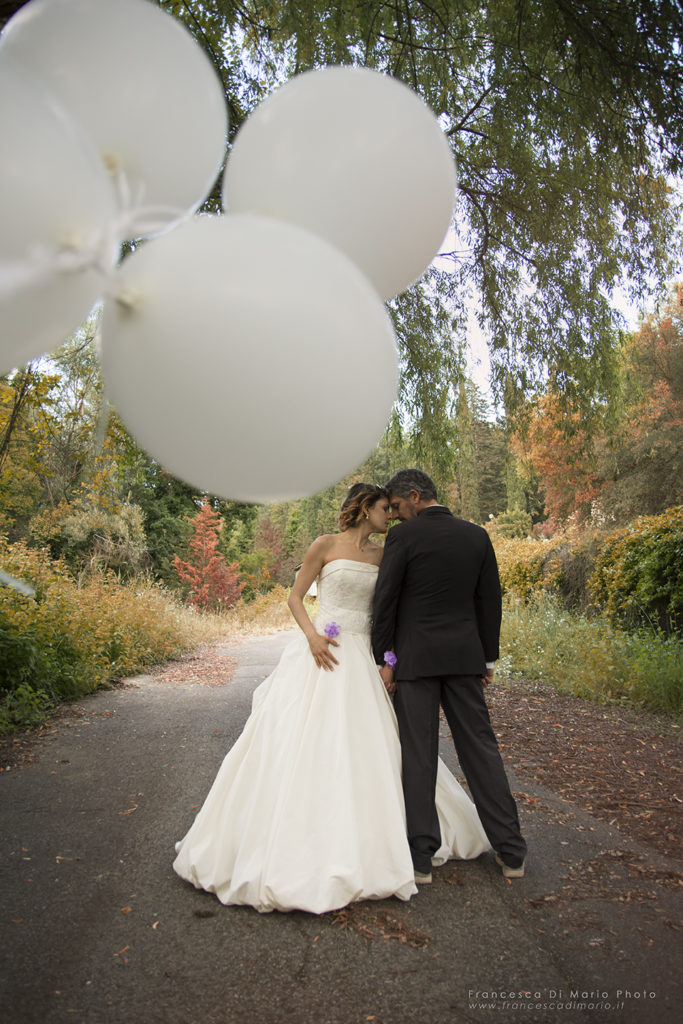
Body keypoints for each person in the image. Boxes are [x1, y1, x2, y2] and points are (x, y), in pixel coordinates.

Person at [173, 484, 490, 914]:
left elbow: (392, 612)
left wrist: (390, 660)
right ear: (365, 507)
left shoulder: (384, 553)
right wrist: (312, 637)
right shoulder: (325, 545)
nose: (390, 516)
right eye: (384, 508)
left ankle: (395, 836)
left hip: (365, 656)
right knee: (304, 740)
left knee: (376, 745)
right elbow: (294, 596)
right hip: (324, 651)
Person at [371, 469, 527, 882]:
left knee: (418, 755)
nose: (399, 516)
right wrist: (488, 660)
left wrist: (383, 657)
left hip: (415, 662)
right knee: (481, 750)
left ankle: (421, 860)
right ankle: (512, 853)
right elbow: (489, 601)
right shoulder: (477, 536)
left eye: (400, 507)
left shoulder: (404, 538)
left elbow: (385, 600)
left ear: (416, 496)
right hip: (463, 660)